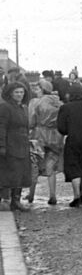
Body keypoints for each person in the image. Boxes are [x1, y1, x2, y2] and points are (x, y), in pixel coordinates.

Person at [26, 80, 64, 205]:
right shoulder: (58, 102)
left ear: (41, 89)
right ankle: (53, 195)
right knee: (51, 167)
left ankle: (31, 195)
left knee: (34, 166)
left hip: (39, 136)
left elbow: (31, 122)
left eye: (37, 89)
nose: (35, 91)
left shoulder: (35, 102)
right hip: (55, 137)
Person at [0, 82, 32, 211]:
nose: (19, 95)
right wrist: (1, 146)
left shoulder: (22, 108)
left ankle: (16, 200)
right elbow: (1, 127)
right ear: (10, 94)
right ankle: (6, 200)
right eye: (16, 92)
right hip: (10, 145)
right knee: (9, 174)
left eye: (21, 92)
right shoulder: (5, 107)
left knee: (21, 173)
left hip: (22, 145)